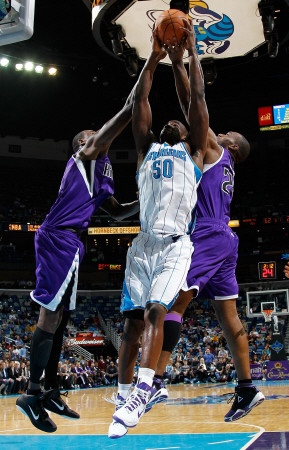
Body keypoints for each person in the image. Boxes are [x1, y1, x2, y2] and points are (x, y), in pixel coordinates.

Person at [150, 31, 265, 422]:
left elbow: (193, 103)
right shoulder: (224, 162)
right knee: (228, 317)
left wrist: (185, 58)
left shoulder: (217, 150)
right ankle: (247, 389)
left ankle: (156, 379)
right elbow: (191, 110)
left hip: (209, 233)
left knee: (172, 300)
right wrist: (179, 63)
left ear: (232, 146)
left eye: (227, 134)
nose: (221, 132)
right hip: (225, 237)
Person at [16, 86, 140, 433]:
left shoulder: (102, 171)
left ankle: (51, 389)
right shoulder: (85, 158)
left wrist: (147, 199)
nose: (95, 138)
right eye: (89, 137)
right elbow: (128, 110)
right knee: (49, 316)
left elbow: (116, 214)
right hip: (58, 237)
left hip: (72, 243)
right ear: (82, 146)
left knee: (61, 318)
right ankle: (32, 393)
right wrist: (146, 73)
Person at [109, 22, 208, 438]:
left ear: (188, 136)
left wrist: (184, 58)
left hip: (173, 245)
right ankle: (123, 391)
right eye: (169, 122)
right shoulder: (148, 149)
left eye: (179, 123)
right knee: (133, 326)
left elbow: (197, 99)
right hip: (141, 245)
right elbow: (140, 101)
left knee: (155, 312)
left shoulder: (196, 151)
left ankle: (144, 391)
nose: (173, 121)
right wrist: (152, 55)